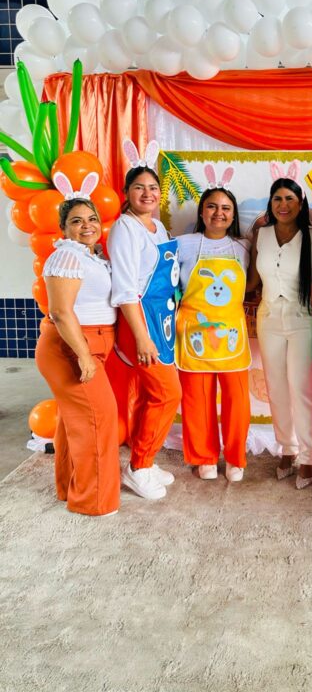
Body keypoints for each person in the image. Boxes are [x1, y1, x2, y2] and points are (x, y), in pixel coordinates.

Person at [35, 197, 120, 517]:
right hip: (72, 346)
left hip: (88, 342)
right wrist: (83, 355)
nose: (87, 225)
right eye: (77, 220)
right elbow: (60, 311)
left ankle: (70, 487)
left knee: (76, 420)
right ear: (63, 228)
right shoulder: (67, 256)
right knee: (98, 419)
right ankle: (93, 501)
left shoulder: (90, 256)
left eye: (92, 219)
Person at [247, 178, 312, 488]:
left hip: (303, 318)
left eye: (290, 199)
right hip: (269, 319)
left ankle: (308, 456)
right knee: (276, 387)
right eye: (277, 199)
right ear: (271, 203)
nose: (283, 205)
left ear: (300, 203)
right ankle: (287, 448)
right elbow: (253, 281)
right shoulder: (261, 235)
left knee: (302, 388)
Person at [108, 165, 182, 501]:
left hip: (160, 318)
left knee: (151, 395)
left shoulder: (157, 227)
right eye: (139, 187)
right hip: (139, 321)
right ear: (127, 192)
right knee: (167, 394)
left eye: (153, 187)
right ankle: (138, 467)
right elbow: (126, 289)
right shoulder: (125, 228)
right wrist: (141, 337)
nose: (147, 193)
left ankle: (145, 460)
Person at [175, 187, 251, 482]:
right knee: (197, 399)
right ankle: (203, 457)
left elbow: (251, 283)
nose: (219, 213)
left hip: (231, 332)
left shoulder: (244, 247)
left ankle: (235, 458)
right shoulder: (183, 245)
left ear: (233, 215)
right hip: (194, 330)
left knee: (237, 399)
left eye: (226, 208)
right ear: (202, 211)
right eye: (212, 206)